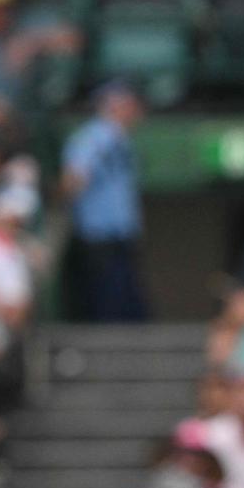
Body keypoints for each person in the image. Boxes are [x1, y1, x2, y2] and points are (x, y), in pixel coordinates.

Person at [62, 81, 147, 321]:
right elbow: (72, 179)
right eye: (128, 105)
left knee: (129, 303)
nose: (135, 111)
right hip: (99, 236)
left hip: (122, 235)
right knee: (109, 305)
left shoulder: (122, 139)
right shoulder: (94, 137)